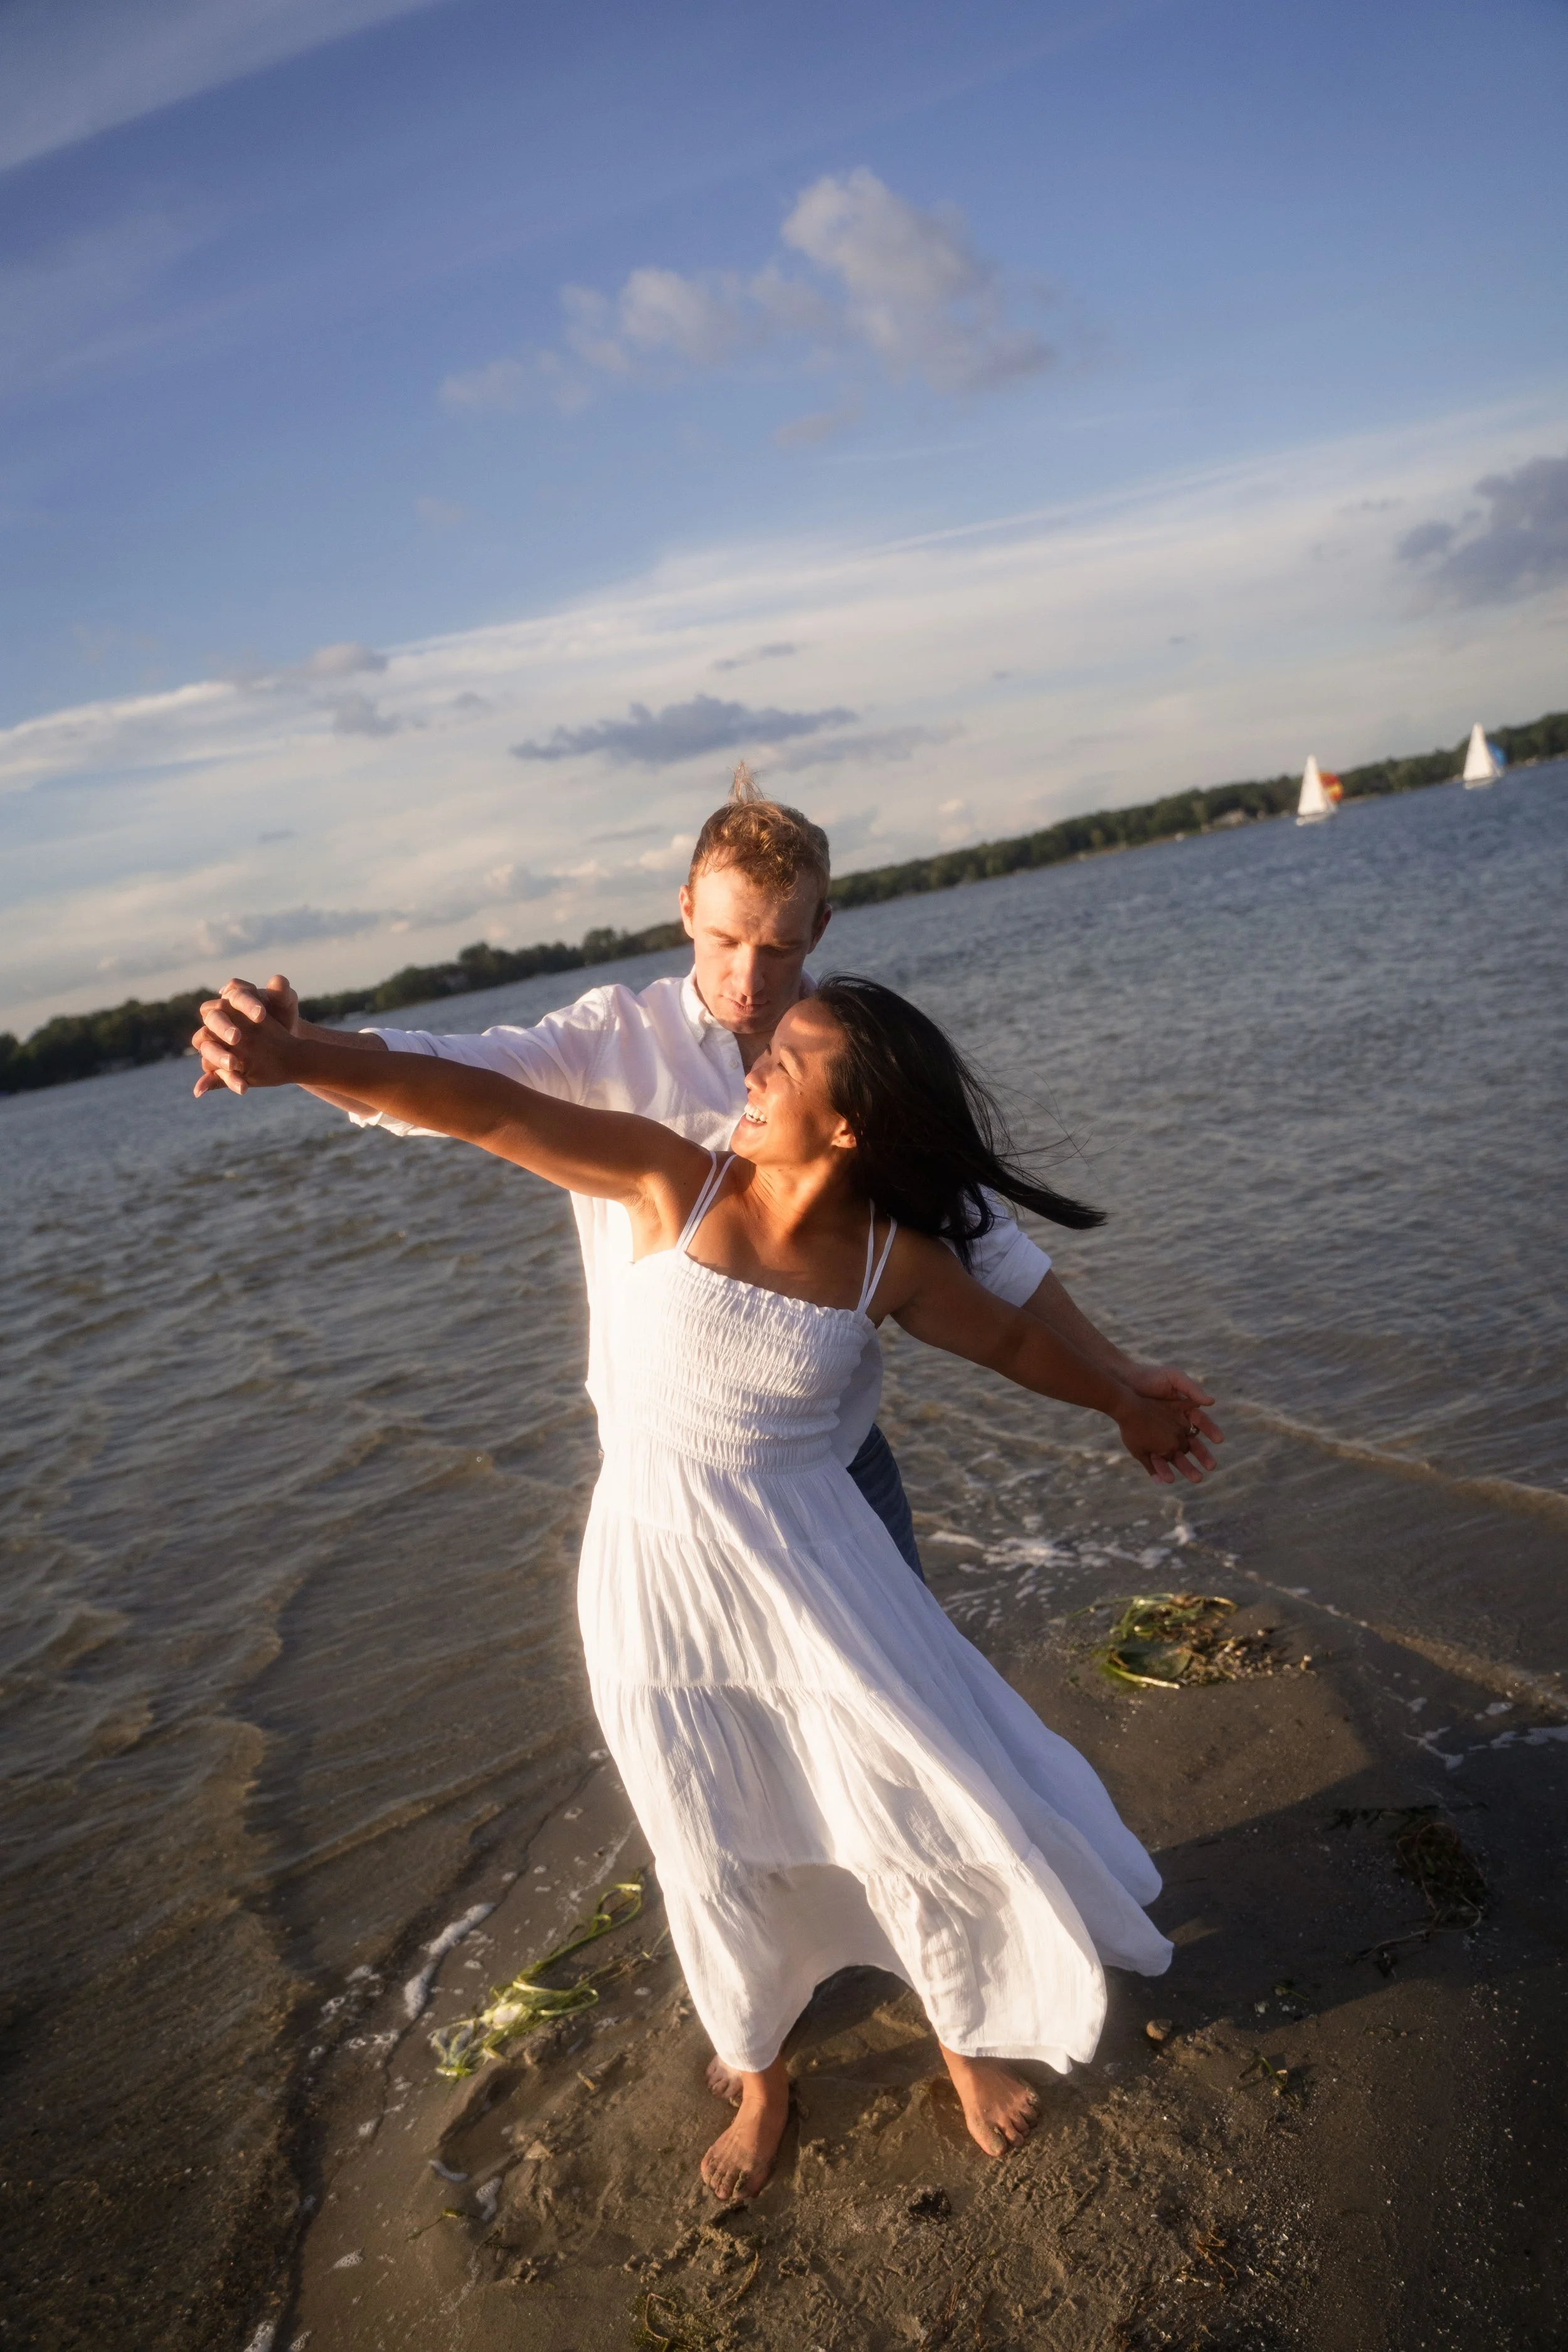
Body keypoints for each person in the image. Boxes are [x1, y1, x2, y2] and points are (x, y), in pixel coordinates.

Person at [193, 967, 1201, 2200]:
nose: (753, 1072)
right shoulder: (675, 1177)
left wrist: (1118, 1399)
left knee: (904, 1795)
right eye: (761, 1051)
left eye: (788, 1061)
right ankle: (760, 2073)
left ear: (848, 1125)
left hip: (818, 1582)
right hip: (652, 1585)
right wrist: (304, 1059)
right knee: (702, 1825)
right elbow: (474, 1104)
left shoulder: (892, 1260)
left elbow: (1005, 1338)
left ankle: (959, 2038)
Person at [193, 773, 1221, 1585]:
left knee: (907, 1719)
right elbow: (459, 1086)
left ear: (820, 929)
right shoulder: (611, 1039)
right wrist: (299, 1049)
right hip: (673, 1475)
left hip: (835, 1460)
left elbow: (980, 1242)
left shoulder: (857, 1057)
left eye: (779, 945)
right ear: (686, 909)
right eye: (726, 939)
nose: (749, 978)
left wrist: (1116, 1372)